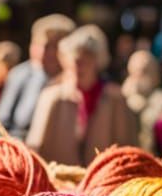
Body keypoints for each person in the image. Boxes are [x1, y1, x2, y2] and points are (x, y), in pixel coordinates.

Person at [27, 24, 137, 166]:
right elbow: (35, 146)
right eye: (75, 59)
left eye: (86, 58)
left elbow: (127, 148)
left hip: (102, 182)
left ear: (98, 61)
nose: (79, 65)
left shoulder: (115, 99)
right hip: (58, 182)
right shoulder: (52, 97)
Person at [0, 15, 75, 140]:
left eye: (53, 46)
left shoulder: (77, 81)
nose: (45, 52)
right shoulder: (20, 75)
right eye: (40, 45)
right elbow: (1, 123)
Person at [122, 49, 162, 153]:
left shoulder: (160, 99)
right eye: (137, 72)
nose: (140, 77)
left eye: (145, 71)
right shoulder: (120, 98)